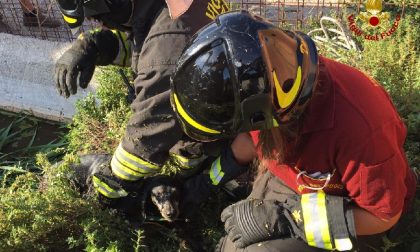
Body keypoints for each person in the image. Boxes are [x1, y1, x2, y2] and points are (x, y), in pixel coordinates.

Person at [169, 11, 417, 251]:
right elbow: (248, 141)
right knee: (239, 237)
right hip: (301, 179)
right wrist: (203, 184)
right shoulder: (274, 86)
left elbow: (383, 216)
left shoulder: (362, 131)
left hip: (354, 213)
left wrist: (289, 218)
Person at [54, 0, 244, 218]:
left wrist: (107, 187)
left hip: (207, 146)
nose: (96, 22)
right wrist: (96, 45)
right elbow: (146, 45)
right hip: (221, 113)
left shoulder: (168, 44)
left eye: (96, 16)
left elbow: (145, 140)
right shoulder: (167, 8)